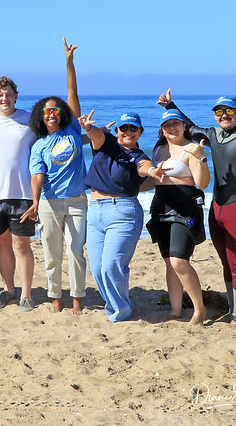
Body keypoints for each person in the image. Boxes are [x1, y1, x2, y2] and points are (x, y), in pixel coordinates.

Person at [158, 88, 236, 328]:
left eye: (229, 111)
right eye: (219, 111)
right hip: (218, 207)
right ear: (214, 115)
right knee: (225, 261)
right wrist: (170, 106)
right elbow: (190, 127)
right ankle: (234, 307)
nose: (224, 115)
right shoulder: (213, 135)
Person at [21, 39, 88, 314]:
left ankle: (77, 299)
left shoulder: (72, 129)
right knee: (52, 254)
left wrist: (69, 63)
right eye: (46, 111)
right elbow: (38, 175)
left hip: (77, 201)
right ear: (41, 115)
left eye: (55, 110)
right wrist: (35, 203)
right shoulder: (38, 145)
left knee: (76, 252)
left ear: (61, 113)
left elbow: (73, 91)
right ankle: (55, 298)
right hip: (49, 203)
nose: (51, 114)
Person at [79, 111, 158, 322]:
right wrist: (88, 128)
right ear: (117, 131)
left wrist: (153, 172)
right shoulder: (106, 144)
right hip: (95, 211)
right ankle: (115, 306)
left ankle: (121, 312)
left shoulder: (139, 156)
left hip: (123, 212)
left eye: (133, 128)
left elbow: (145, 168)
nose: (128, 132)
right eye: (124, 128)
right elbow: (96, 136)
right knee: (96, 268)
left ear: (140, 132)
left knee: (111, 265)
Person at [0, 77, 38, 311]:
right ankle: (8, 289)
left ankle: (26, 294)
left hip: (22, 193)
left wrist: (88, 135)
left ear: (16, 96)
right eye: (0, 95)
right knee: (1, 244)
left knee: (21, 244)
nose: (5, 98)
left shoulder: (30, 120)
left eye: (9, 94)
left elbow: (49, 143)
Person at [146, 109, 210, 325]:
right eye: (167, 125)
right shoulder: (159, 149)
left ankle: (199, 309)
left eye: (176, 124)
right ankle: (175, 310)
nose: (172, 128)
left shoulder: (191, 149)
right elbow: (152, 180)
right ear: (162, 130)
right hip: (161, 206)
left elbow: (202, 184)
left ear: (184, 126)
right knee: (168, 262)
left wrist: (202, 159)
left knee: (179, 261)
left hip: (185, 208)